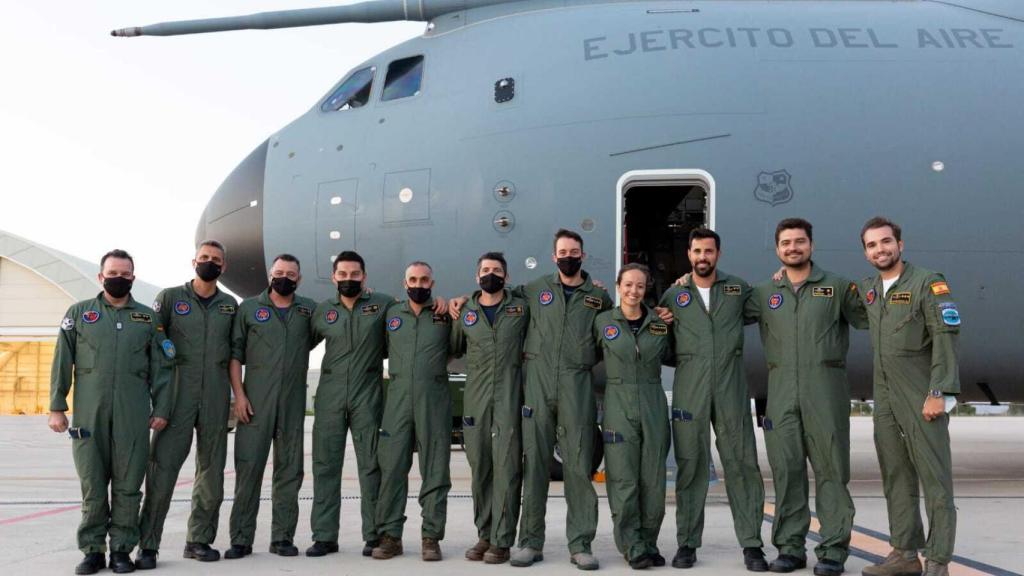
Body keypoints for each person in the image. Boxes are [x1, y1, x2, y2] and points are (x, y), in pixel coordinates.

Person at [744, 218, 866, 576]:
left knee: (831, 471)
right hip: (781, 391)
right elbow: (722, 310)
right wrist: (685, 283)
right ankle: (791, 548)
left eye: (799, 241)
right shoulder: (766, 293)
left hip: (825, 389)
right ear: (778, 249)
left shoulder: (839, 287)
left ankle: (832, 551)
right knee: (787, 471)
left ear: (811, 245)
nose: (793, 248)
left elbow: (873, 318)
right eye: (786, 243)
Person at [49, 249, 174, 575]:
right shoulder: (79, 314)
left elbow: (162, 369)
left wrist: (161, 408)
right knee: (92, 485)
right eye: (112, 273)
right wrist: (56, 407)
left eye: (125, 273)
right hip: (89, 414)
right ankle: (92, 551)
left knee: (128, 485)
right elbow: (62, 361)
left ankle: (121, 550)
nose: (119, 278)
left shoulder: (147, 319)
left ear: (133, 276)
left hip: (132, 415)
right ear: (101, 276)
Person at [857, 217, 959, 576]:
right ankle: (904, 553)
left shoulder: (928, 283)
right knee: (895, 476)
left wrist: (939, 392)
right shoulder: (869, 290)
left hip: (921, 395)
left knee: (935, 480)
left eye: (886, 242)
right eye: (871, 245)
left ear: (901, 245)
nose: (880, 249)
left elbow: (946, 336)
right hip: (884, 399)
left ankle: (937, 560)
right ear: (866, 252)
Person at [663, 228, 768, 571]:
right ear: (689, 255)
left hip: (730, 386)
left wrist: (783, 278)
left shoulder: (737, 289)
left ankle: (752, 545)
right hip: (690, 386)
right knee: (690, 467)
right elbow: (660, 340)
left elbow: (769, 306)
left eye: (708, 251)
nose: (702, 257)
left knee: (742, 465)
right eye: (697, 251)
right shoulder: (674, 295)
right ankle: (687, 544)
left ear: (718, 254)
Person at [509, 229, 612, 571]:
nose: (568, 256)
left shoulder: (598, 297)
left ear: (582, 255)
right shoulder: (536, 289)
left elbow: (614, 327)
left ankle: (581, 544)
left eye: (574, 251)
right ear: (554, 257)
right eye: (563, 251)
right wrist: (458, 303)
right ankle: (530, 541)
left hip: (576, 384)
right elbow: (499, 298)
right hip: (538, 384)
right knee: (535, 466)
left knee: (580, 467)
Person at [135, 240, 236, 568]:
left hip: (215, 396)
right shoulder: (170, 298)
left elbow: (236, 354)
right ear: (194, 261)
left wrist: (234, 398)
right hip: (177, 395)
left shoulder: (229, 305)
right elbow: (153, 341)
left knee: (211, 474)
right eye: (204, 257)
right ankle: (148, 545)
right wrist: (156, 396)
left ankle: (199, 540)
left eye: (216, 259)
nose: (209, 262)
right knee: (162, 471)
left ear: (223, 266)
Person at [224, 254, 316, 560]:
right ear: (269, 274)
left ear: (299, 279)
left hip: (291, 403)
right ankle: (241, 539)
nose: (285, 277)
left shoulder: (308, 311)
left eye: (291, 274)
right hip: (255, 403)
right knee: (248, 469)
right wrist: (239, 395)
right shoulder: (249, 308)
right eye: (279, 272)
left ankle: (282, 538)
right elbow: (235, 355)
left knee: (290, 472)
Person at [306, 251, 395, 558]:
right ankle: (325, 536)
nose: (348, 279)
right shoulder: (323, 311)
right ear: (334, 277)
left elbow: (410, 320)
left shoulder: (383, 305)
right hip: (330, 394)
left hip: (367, 393)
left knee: (371, 466)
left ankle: (374, 535)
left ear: (364, 276)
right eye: (342, 274)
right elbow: (299, 342)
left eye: (354, 274)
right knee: (325, 466)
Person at [450, 252, 529, 564]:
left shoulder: (521, 307)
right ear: (476, 276)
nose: (491, 274)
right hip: (476, 397)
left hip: (510, 394)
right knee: (480, 466)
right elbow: (453, 347)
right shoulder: (466, 310)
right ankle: (484, 534)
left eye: (497, 270)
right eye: (485, 270)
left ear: (507, 278)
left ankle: (502, 539)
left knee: (507, 468)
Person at [372, 261, 453, 562]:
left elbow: (458, 345)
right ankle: (390, 536)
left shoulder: (445, 315)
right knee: (392, 469)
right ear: (404, 283)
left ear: (432, 284)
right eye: (413, 280)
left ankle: (431, 537)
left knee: (435, 470)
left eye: (424, 280)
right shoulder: (391, 314)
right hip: (398, 399)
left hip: (434, 399)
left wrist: (454, 303)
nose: (419, 285)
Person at [593, 263, 673, 570]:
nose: (633, 291)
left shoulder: (660, 323)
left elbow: (677, 354)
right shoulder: (602, 322)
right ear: (618, 286)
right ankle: (631, 544)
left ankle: (649, 541)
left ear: (646, 289)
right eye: (628, 285)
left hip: (653, 401)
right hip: (618, 402)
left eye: (640, 286)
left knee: (653, 480)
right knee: (624, 479)